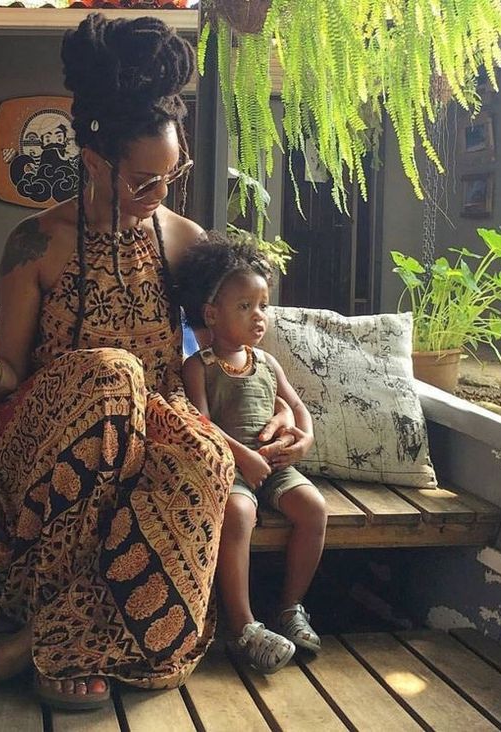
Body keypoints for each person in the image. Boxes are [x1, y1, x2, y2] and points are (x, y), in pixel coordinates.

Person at [0, 13, 297, 710]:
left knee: (203, 455)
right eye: (143, 180)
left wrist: (288, 409)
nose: (159, 195)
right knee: (114, 373)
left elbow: (218, 344)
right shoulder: (35, 243)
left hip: (150, 437)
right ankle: (57, 643)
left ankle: (26, 648)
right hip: (51, 443)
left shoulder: (184, 239)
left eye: (174, 176)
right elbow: (9, 377)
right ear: (92, 156)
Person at [176, 234, 328, 674]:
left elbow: (297, 409)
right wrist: (243, 457)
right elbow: (201, 424)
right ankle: (243, 625)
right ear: (211, 313)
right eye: (244, 307)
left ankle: (290, 608)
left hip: (275, 464)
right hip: (232, 468)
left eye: (262, 305)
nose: (258, 316)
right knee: (238, 514)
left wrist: (305, 438)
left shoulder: (267, 362)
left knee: (313, 508)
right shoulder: (199, 366)